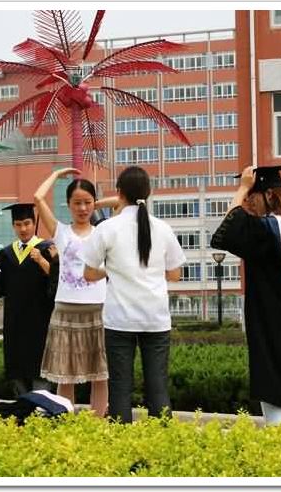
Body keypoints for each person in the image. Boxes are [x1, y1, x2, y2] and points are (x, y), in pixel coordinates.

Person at [210, 165, 281, 426]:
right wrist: (246, 190)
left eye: (252, 196)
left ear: (269, 194)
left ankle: (277, 446)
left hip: (269, 323)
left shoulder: (267, 230)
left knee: (272, 392)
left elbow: (226, 230)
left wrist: (241, 187)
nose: (247, 202)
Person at [82, 166, 186, 423]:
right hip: (156, 318)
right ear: (148, 193)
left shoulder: (107, 228)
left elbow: (89, 273)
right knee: (158, 386)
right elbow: (175, 274)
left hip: (119, 319)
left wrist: (112, 270)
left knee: (119, 386)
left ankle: (122, 439)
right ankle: (162, 439)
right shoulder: (162, 228)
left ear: (119, 193)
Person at [33, 168, 119, 417]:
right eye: (77, 203)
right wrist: (56, 174)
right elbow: (38, 198)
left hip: (99, 309)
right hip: (66, 309)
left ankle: (98, 422)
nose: (82, 208)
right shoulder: (60, 232)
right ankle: (66, 421)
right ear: (68, 204)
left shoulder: (104, 231)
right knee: (65, 374)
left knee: (100, 374)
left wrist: (95, 204)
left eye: (87, 203)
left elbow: (124, 203)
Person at [0, 203, 55, 398]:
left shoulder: (47, 248)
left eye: (27, 223)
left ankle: (42, 405)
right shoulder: (6, 254)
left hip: (41, 322)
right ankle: (22, 405)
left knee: (40, 366)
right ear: (13, 226)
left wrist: (41, 260)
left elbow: (58, 280)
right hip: (15, 323)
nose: (23, 229)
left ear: (34, 223)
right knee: (17, 368)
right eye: (18, 224)